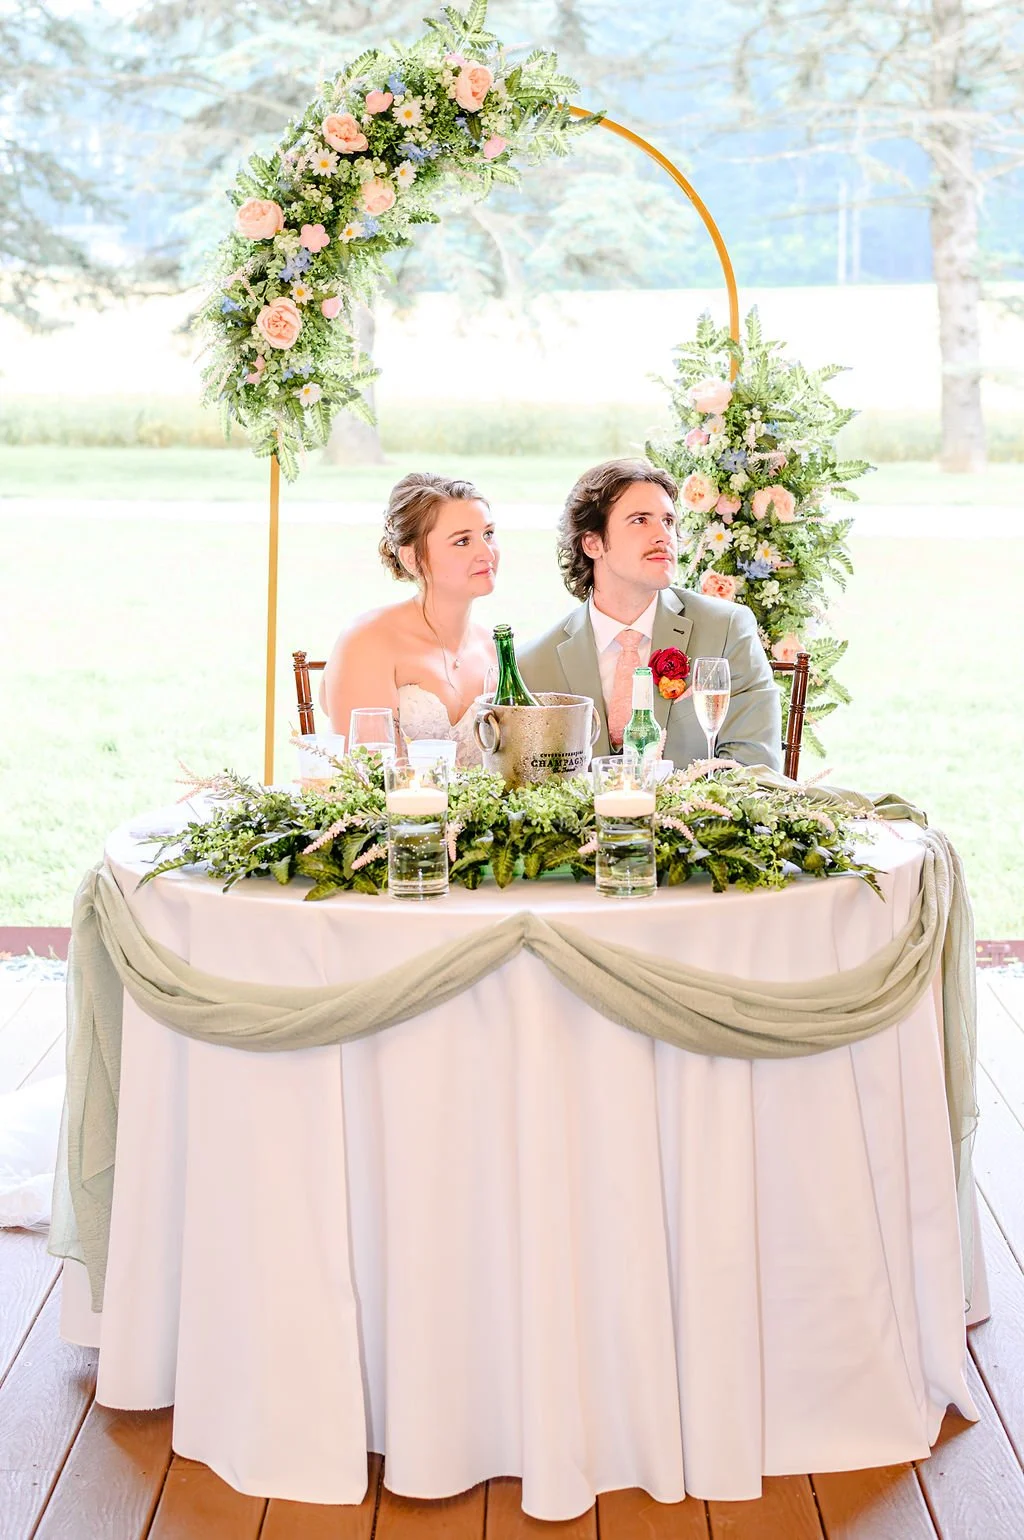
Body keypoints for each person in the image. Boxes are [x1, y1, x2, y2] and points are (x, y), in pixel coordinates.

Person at [517, 457, 782, 770]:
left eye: (668, 521)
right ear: (593, 543)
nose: (664, 536)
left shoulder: (726, 630)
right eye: (640, 520)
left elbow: (753, 767)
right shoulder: (533, 665)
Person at [320, 472, 498, 765]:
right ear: (412, 558)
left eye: (488, 534)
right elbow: (369, 777)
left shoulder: (495, 649)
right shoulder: (368, 641)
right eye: (463, 541)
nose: (487, 553)